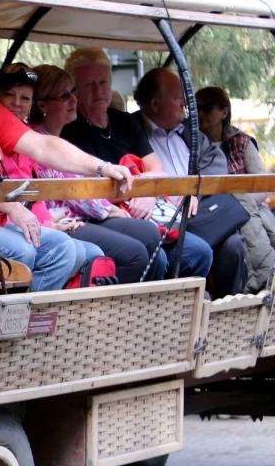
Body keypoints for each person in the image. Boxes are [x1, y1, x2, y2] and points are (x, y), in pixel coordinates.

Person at [0, 36, 134, 292]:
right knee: (25, 250)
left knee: (74, 251)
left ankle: (22, 320)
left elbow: (43, 145)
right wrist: (14, 207)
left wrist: (101, 167)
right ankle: (6, 321)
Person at [60, 47, 212, 282]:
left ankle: (177, 311)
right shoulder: (69, 130)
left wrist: (148, 194)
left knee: (200, 252)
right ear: (74, 92)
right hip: (105, 214)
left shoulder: (124, 121)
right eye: (89, 85)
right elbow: (79, 189)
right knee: (157, 257)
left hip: (147, 210)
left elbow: (156, 169)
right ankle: (147, 315)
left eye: (103, 82)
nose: (99, 91)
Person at [28, 64, 165, 283]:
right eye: (65, 96)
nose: (74, 100)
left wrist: (108, 208)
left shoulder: (56, 136)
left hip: (81, 215)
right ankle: (107, 312)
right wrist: (108, 210)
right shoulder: (36, 139)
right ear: (42, 104)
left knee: (151, 235)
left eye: (73, 92)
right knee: (136, 253)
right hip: (62, 221)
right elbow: (72, 189)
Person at [134, 68, 245, 295]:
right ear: (155, 104)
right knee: (193, 250)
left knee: (234, 245)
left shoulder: (188, 131)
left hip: (198, 213)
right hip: (165, 221)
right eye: (178, 98)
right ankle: (192, 313)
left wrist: (195, 191)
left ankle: (228, 315)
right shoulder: (132, 130)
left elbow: (214, 161)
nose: (185, 103)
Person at [0, 64, 106, 274]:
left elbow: (33, 195)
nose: (17, 104)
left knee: (94, 253)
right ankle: (27, 305)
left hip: (35, 222)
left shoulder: (27, 138)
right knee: (74, 251)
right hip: (5, 224)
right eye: (9, 95)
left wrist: (46, 223)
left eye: (25, 98)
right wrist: (47, 225)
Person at [197, 86, 275, 292]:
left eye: (207, 107)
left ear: (224, 112)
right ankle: (264, 279)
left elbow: (263, 184)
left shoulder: (241, 142)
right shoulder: (190, 144)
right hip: (212, 212)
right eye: (195, 108)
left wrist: (240, 204)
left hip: (250, 208)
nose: (200, 112)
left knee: (262, 225)